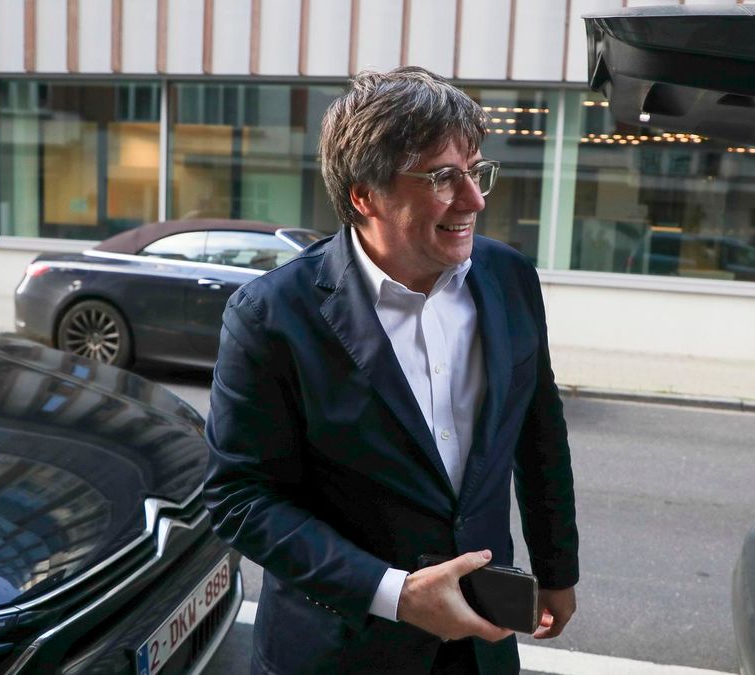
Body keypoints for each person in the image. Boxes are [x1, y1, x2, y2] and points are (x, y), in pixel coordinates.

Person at [203, 66, 579, 675]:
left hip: (481, 645)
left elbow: (539, 431)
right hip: (339, 650)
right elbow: (239, 496)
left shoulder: (510, 277)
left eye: (477, 171)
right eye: (442, 178)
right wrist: (394, 593)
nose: (475, 199)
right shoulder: (271, 314)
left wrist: (558, 570)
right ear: (364, 195)